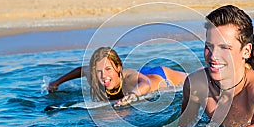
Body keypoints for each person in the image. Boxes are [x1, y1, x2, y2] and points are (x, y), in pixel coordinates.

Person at [48, 47, 187, 106]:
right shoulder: (94, 75)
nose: (103, 75)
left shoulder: (129, 78)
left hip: (160, 77)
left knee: (194, 78)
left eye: (108, 69)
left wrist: (132, 96)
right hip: (141, 72)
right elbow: (81, 70)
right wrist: (57, 82)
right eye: (99, 71)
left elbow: (146, 84)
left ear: (118, 67)